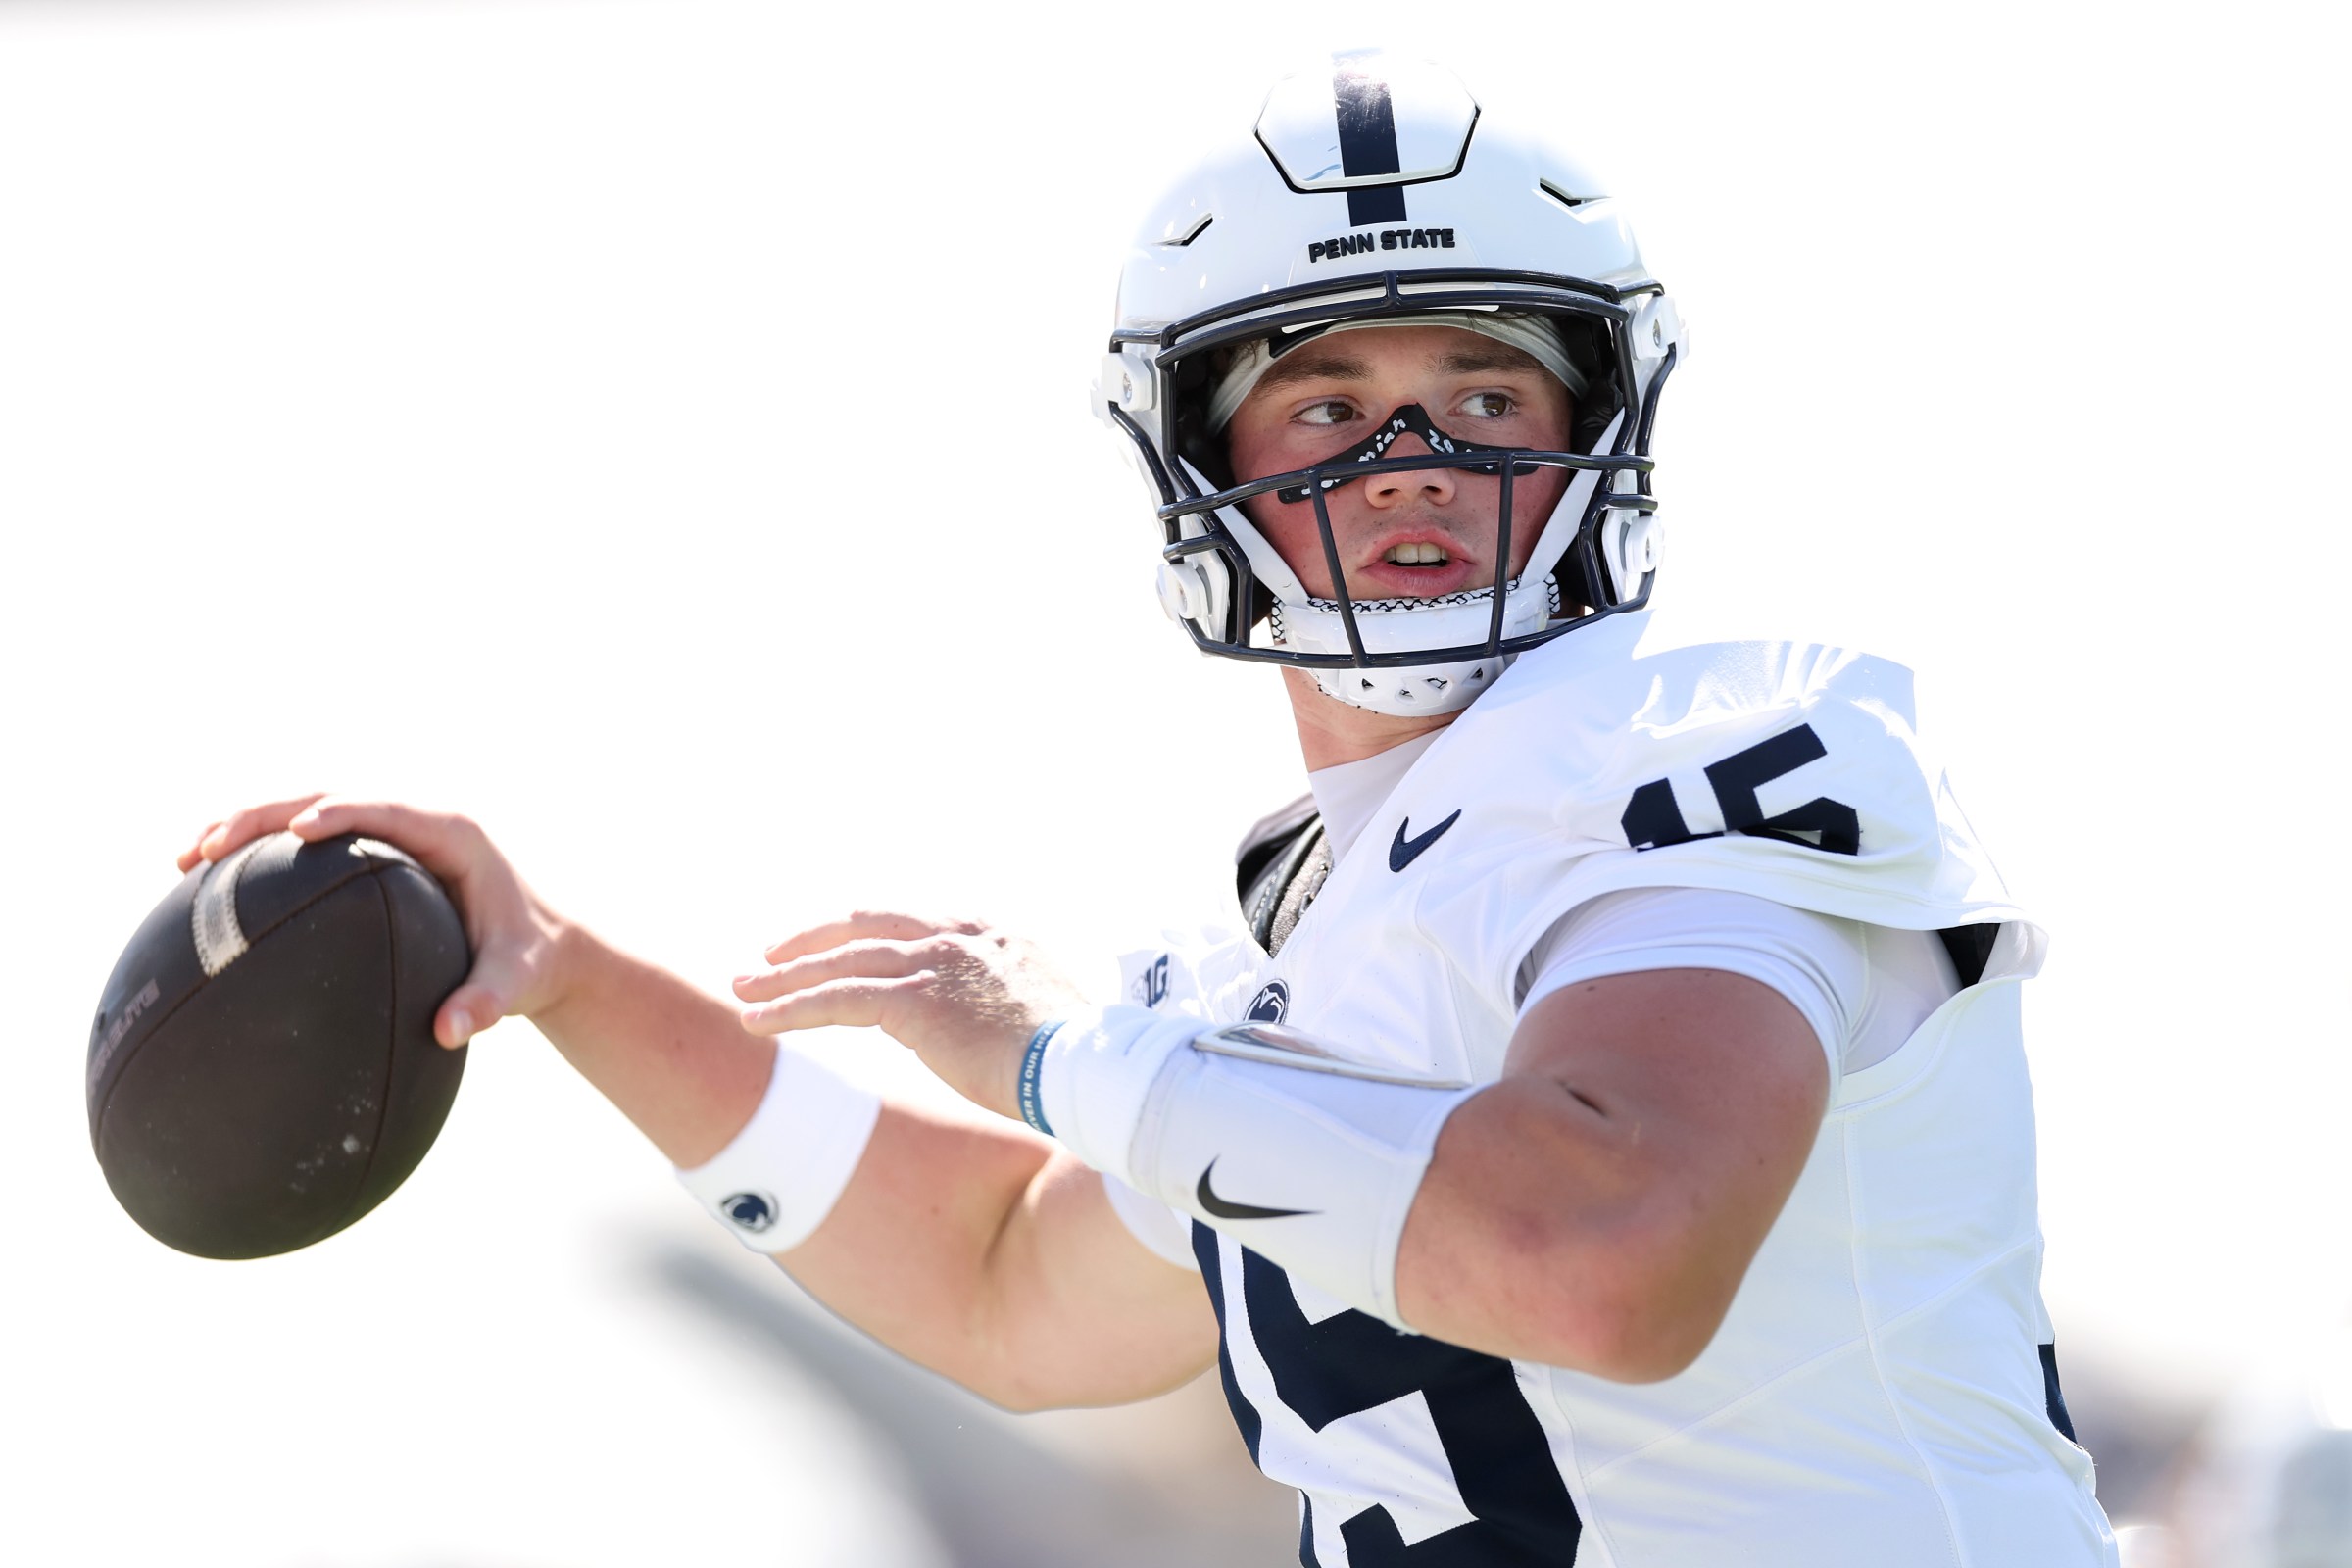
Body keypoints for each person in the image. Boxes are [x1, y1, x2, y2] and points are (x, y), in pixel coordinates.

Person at [180, 52, 2119, 1567]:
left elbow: (1603, 1246)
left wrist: (1066, 1055)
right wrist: (568, 971)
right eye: (1329, 404)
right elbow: (1007, 1281)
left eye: (1484, 391)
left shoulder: (1732, 739)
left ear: (1598, 425)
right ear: (1203, 464)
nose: (1414, 457)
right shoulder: (1279, 956)